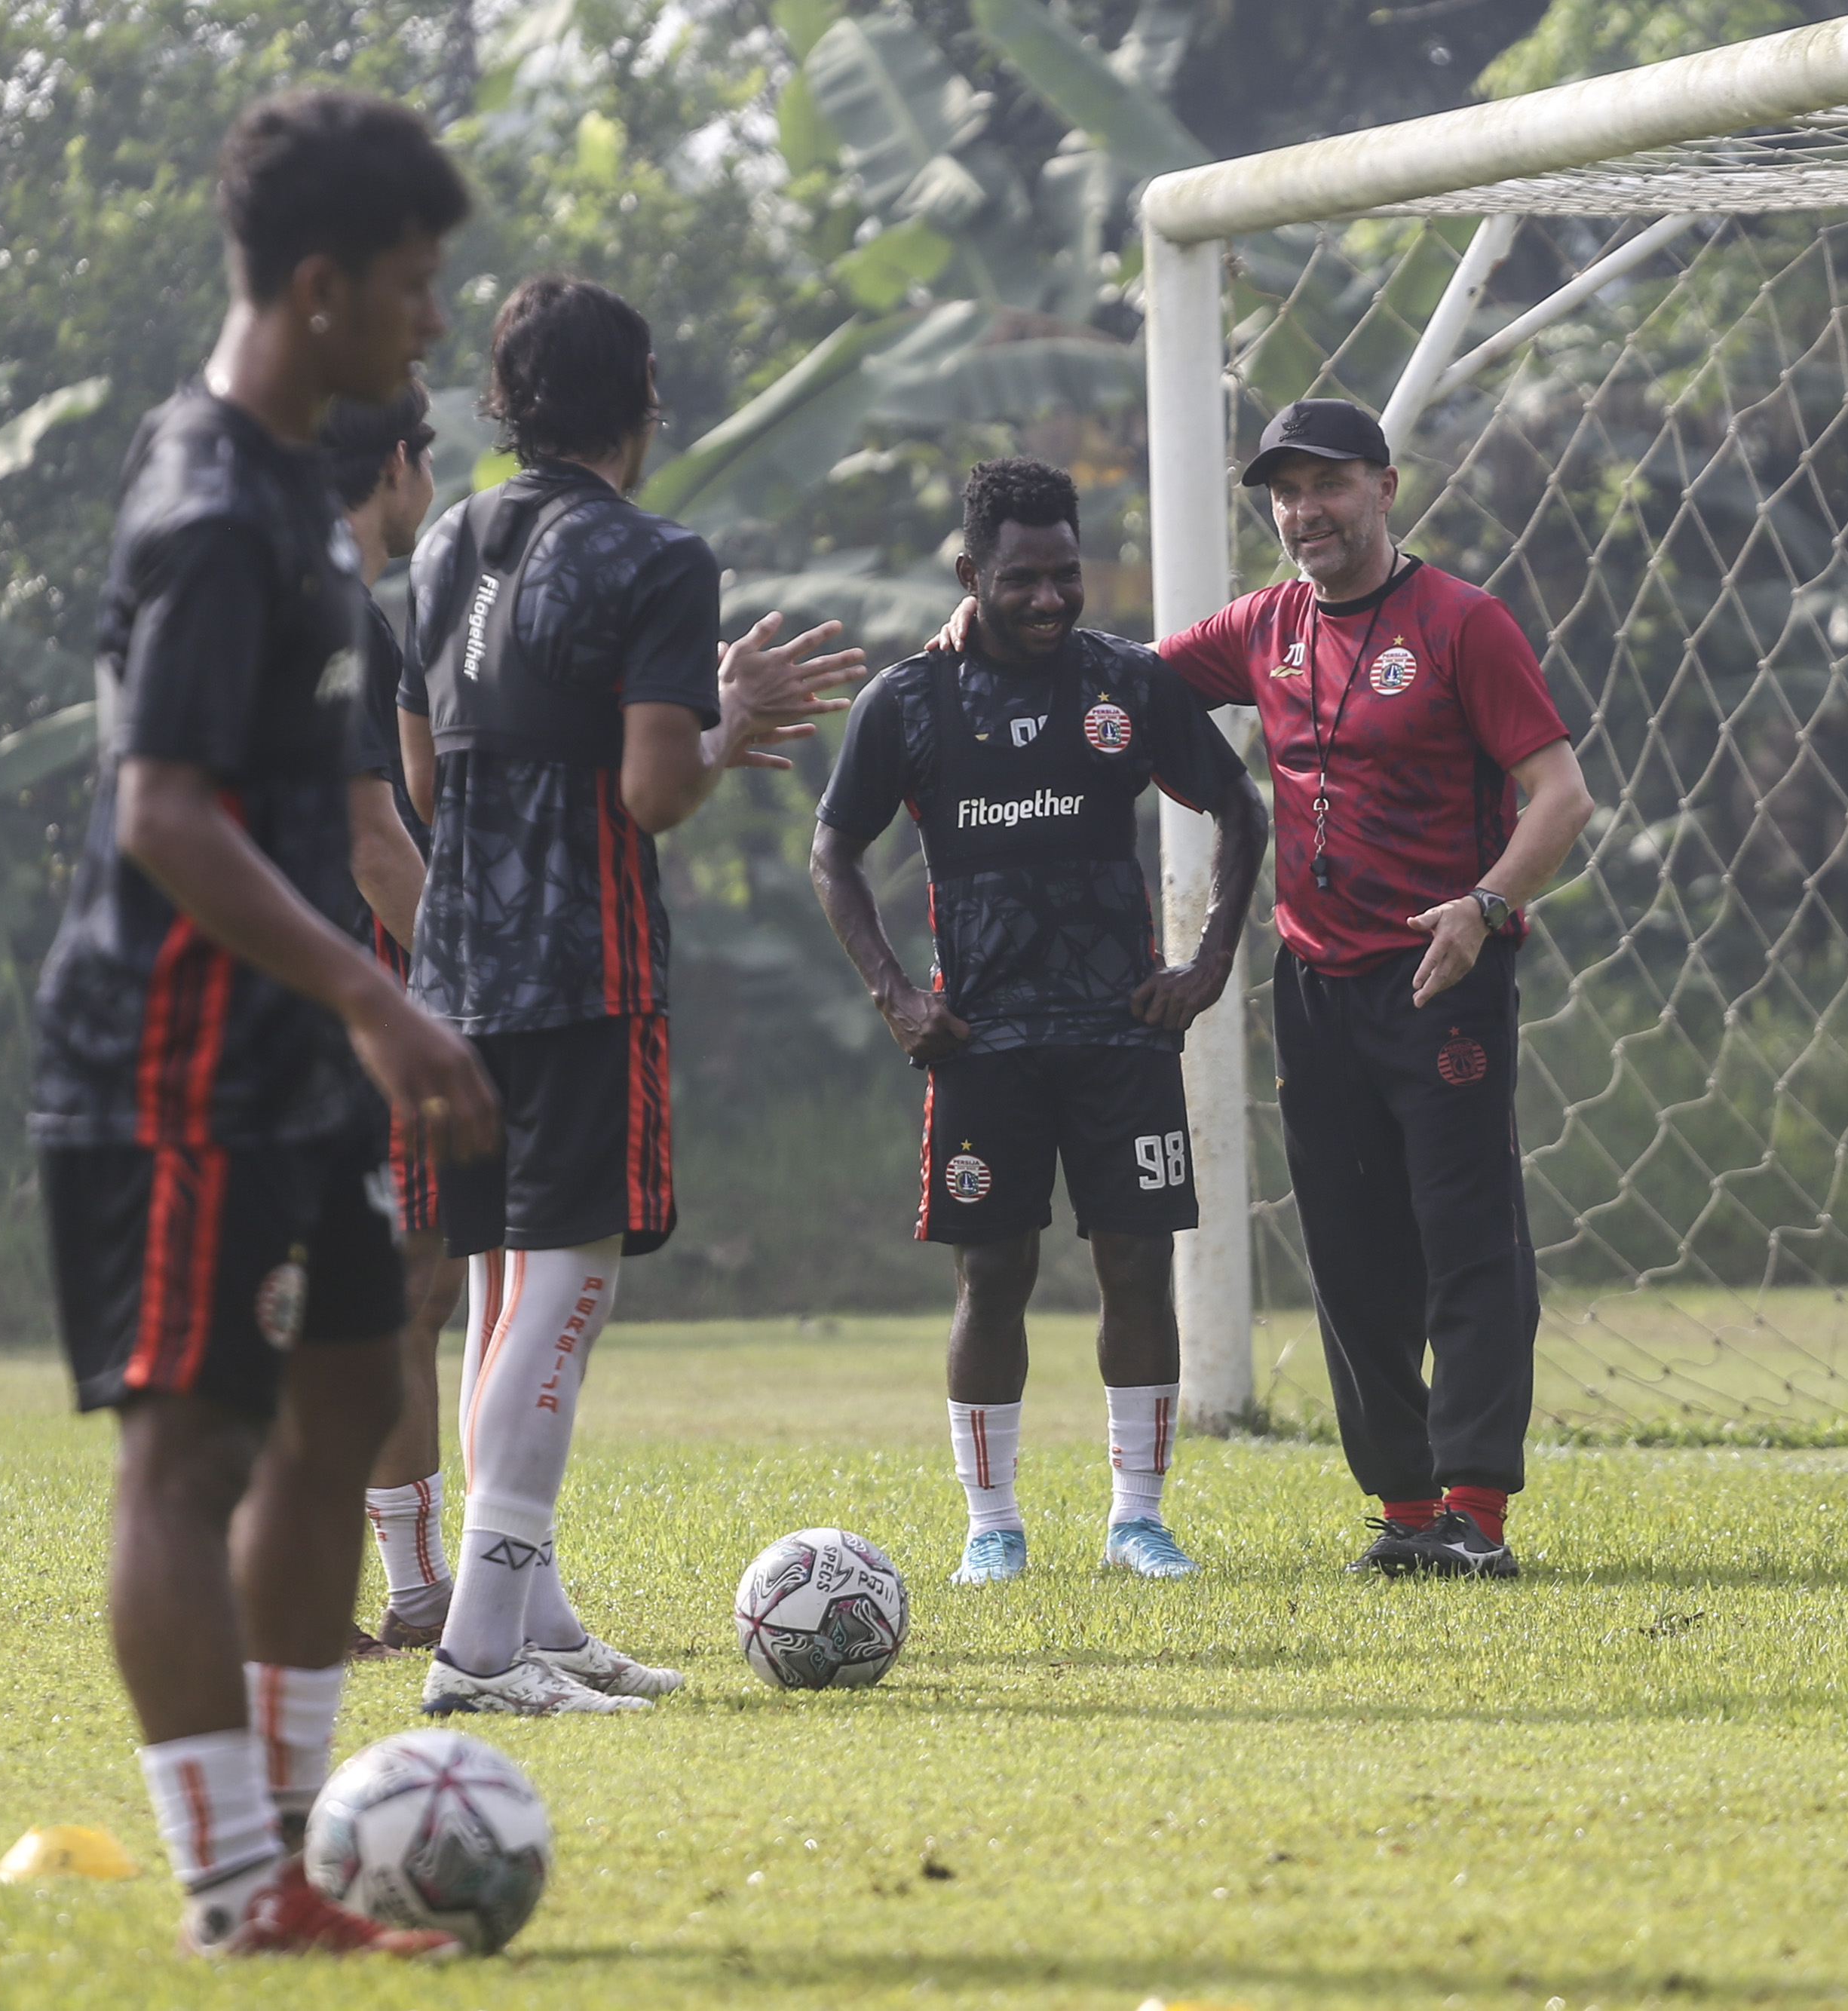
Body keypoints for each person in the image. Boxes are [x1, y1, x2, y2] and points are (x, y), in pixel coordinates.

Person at [27, 90, 500, 1957]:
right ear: (320, 288)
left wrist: (353, 1006)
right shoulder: (216, 511)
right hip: (172, 1052)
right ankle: (237, 1886)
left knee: (346, 1397)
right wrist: (379, 994)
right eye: (411, 283)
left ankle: (297, 1844)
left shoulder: (300, 494)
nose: (431, 320)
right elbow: (162, 811)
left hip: (292, 1048)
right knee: (190, 1449)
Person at [927, 398, 1589, 1580]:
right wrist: (973, 622)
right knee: (1348, 1249)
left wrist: (1485, 907)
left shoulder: (1462, 624)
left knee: (1467, 1242)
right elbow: (1116, 676)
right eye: (1285, 492)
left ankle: (1476, 1510)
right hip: (1316, 986)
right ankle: (1405, 1507)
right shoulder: (1264, 627)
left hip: (1443, 976)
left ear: (1385, 488)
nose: (1305, 511)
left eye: (1328, 483)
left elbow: (1562, 795)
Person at [397, 274, 866, 1715]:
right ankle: (481, 1652)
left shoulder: (444, 543)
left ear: (508, 402)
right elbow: (656, 791)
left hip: (451, 974)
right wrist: (727, 721)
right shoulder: (656, 556)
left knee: (498, 1281)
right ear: (642, 403)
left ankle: (531, 1620)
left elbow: (424, 782)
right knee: (567, 1281)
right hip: (580, 971)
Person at [811, 458, 1267, 1586]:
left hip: (1122, 1032)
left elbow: (1239, 808)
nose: (1050, 597)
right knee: (993, 1273)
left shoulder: (1127, 681)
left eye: (1066, 573)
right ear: (973, 574)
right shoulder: (909, 701)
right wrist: (897, 995)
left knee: (1137, 1264)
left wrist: (1210, 961)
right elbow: (834, 853)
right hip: (984, 1042)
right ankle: (992, 1528)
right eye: (1023, 578)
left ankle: (1138, 1522)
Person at [313, 382, 469, 1659]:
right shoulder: (338, 617)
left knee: (393, 1293)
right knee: (386, 1295)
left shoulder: (269, 601)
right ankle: (341, 1597)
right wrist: (465, 988)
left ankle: (412, 1593)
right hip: (346, 1003)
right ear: (400, 466)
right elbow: (374, 850)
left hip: (273, 1001)